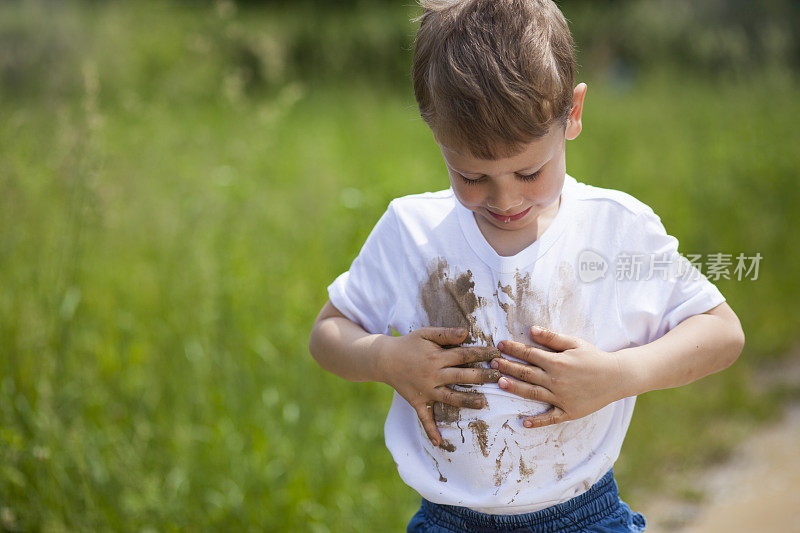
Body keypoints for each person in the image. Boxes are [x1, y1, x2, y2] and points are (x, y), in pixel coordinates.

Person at [308, 0, 745, 530]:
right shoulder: (411, 232)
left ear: (573, 114)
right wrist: (385, 359)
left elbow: (722, 333)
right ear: (436, 133)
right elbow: (328, 333)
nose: (505, 198)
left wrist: (618, 376)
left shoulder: (614, 229)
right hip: (449, 520)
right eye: (471, 177)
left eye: (530, 171)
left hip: (584, 517)